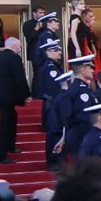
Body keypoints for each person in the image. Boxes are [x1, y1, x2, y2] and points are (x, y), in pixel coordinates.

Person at [0, 37, 31, 163]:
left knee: (12, 117)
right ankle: (0, 155)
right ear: (14, 46)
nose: (20, 49)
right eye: (20, 47)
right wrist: (26, 94)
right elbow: (19, 78)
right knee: (5, 124)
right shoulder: (14, 58)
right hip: (8, 97)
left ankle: (10, 146)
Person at [34, 39, 66, 169]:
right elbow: (54, 88)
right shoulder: (50, 68)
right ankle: (54, 161)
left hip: (52, 103)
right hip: (53, 104)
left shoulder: (52, 66)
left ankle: (56, 160)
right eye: (56, 50)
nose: (59, 52)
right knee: (55, 132)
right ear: (48, 52)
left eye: (59, 50)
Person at [60, 55, 98, 160]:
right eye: (90, 68)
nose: (92, 71)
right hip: (80, 134)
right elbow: (84, 115)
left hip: (76, 132)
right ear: (82, 70)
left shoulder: (78, 88)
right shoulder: (81, 90)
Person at [22, 5, 46, 97]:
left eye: (43, 13)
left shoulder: (45, 24)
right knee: (37, 73)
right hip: (35, 53)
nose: (42, 14)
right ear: (34, 13)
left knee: (44, 73)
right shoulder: (28, 24)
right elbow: (30, 38)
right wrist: (36, 29)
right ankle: (36, 94)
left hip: (45, 52)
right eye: (40, 12)